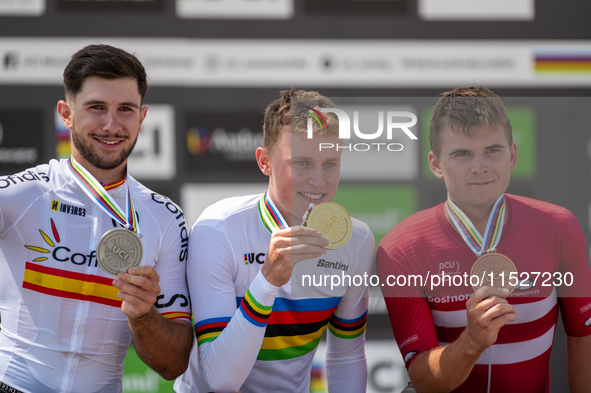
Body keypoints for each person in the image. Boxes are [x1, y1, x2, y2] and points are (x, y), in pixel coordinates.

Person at [0, 44, 193, 393]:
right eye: (96, 108)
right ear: (66, 113)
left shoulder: (165, 218)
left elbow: (174, 363)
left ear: (142, 117)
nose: (111, 125)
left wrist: (143, 314)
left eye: (125, 110)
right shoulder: (20, 195)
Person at [376, 86, 591, 393]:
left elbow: (583, 336)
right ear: (436, 164)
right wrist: (473, 341)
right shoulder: (402, 248)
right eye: (462, 154)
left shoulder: (558, 227)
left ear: (513, 155)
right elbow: (424, 381)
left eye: (492, 150)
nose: (480, 166)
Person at [174, 88, 374, 393]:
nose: (318, 180)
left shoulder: (355, 240)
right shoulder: (219, 230)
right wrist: (267, 282)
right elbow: (220, 380)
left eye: (330, 164)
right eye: (302, 163)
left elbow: (346, 356)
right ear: (265, 161)